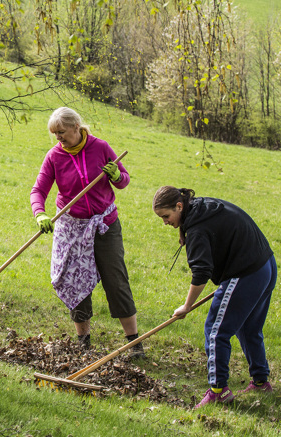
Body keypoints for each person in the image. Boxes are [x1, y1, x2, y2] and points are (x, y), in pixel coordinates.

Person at [30, 107, 145, 358]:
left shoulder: (100, 147)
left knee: (116, 280)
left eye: (62, 132)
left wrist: (116, 174)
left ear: (76, 127)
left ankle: (134, 342)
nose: (58, 138)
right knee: (74, 281)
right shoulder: (54, 157)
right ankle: (83, 342)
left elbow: (124, 180)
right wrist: (40, 213)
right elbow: (38, 191)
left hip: (105, 225)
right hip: (71, 227)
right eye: (54, 134)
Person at [153, 186, 276, 408]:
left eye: (166, 216)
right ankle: (260, 382)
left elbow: (201, 272)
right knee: (248, 328)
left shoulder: (197, 231)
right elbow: (209, 227)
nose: (165, 222)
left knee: (215, 331)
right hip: (265, 265)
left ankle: (218, 390)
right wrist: (183, 229)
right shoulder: (200, 206)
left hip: (246, 272)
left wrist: (186, 306)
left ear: (179, 206)